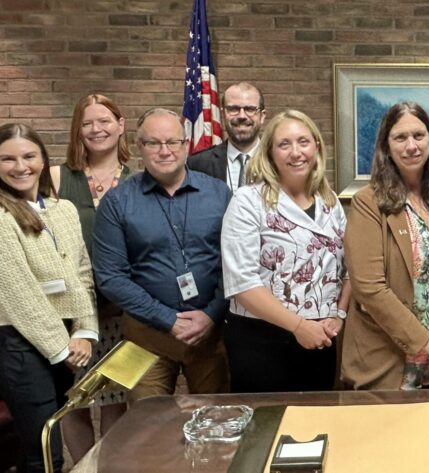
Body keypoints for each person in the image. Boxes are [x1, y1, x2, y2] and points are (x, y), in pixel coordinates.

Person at [0, 123, 98, 472]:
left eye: (29, 156)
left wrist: (85, 331)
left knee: (50, 447)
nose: (20, 166)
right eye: (7, 159)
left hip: (66, 341)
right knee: (42, 456)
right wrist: (63, 350)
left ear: (43, 160)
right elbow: (19, 295)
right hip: (22, 348)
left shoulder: (65, 210)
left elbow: (81, 275)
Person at [93, 108, 231, 400]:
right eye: (153, 143)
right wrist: (167, 319)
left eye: (172, 142)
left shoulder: (219, 195)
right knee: (146, 427)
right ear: (138, 147)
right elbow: (111, 276)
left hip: (211, 331)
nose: (164, 151)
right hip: (147, 334)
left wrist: (211, 314)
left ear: (186, 145)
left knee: (218, 416)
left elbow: (235, 263)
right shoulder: (117, 202)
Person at [342, 101, 429, 390]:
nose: (411, 146)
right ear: (386, 146)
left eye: (419, 136)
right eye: (400, 138)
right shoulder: (369, 202)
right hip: (389, 364)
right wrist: (424, 343)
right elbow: (369, 287)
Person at [221, 110, 350, 392]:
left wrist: (339, 314)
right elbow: (242, 283)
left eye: (303, 142)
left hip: (321, 336)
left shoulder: (330, 203)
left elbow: (348, 269)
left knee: (315, 425)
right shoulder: (248, 201)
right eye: (284, 144)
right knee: (266, 427)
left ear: (316, 147)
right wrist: (299, 326)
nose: (296, 152)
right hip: (261, 338)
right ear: (269, 153)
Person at [49, 93, 133, 461]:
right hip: (69, 310)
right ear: (77, 130)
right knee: (74, 399)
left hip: (119, 307)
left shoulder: (138, 180)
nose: (97, 129)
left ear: (121, 126)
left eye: (104, 121)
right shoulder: (54, 176)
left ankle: (110, 467)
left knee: (115, 395)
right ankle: (84, 468)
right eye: (87, 123)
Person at [189, 82, 266, 191]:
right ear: (222, 114)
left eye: (250, 109)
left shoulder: (277, 161)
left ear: (262, 116)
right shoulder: (197, 164)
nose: (242, 116)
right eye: (233, 109)